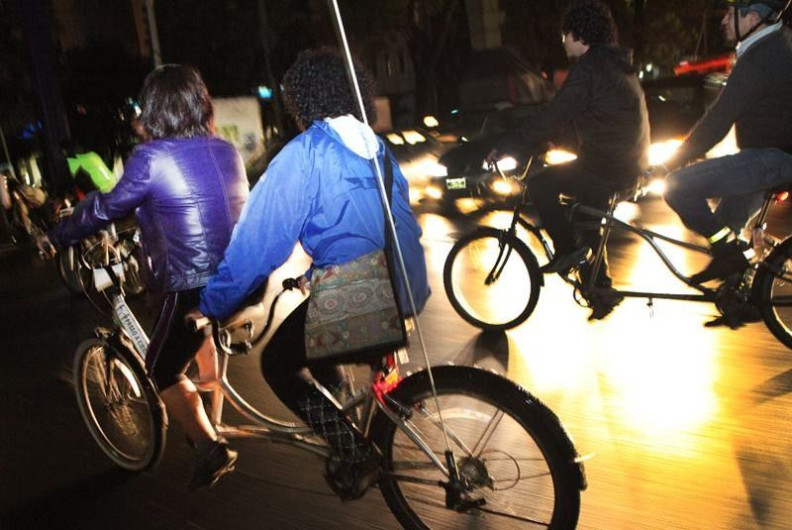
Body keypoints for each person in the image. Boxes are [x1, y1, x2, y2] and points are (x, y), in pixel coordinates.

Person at [196, 48, 430, 500]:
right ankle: (343, 404)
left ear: (301, 102)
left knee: (278, 364)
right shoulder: (374, 146)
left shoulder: (306, 153)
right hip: (406, 286)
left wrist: (212, 304)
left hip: (361, 294)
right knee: (319, 324)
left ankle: (352, 449)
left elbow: (256, 242)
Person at [38, 64, 249, 491]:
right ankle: (210, 400)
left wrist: (57, 237)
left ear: (153, 109)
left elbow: (105, 207)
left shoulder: (152, 157)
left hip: (192, 283)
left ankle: (210, 446)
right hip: (241, 276)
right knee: (192, 336)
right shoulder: (224, 149)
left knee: (161, 367)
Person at [489, 0, 650, 320]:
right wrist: (551, 139)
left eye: (565, 35)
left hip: (608, 164)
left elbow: (553, 114)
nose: (563, 42)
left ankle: (567, 249)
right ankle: (600, 290)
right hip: (627, 161)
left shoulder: (589, 69)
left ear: (579, 36)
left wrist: (508, 146)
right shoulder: (616, 65)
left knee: (541, 184)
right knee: (587, 218)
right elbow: (591, 115)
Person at [661, 0, 792, 285]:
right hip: (774, 157)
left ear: (753, 17)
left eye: (729, 15)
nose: (722, 22)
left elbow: (717, 121)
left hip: (771, 160)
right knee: (726, 223)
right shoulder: (779, 43)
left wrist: (670, 162)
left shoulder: (762, 56)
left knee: (676, 187)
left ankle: (730, 255)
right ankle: (734, 296)